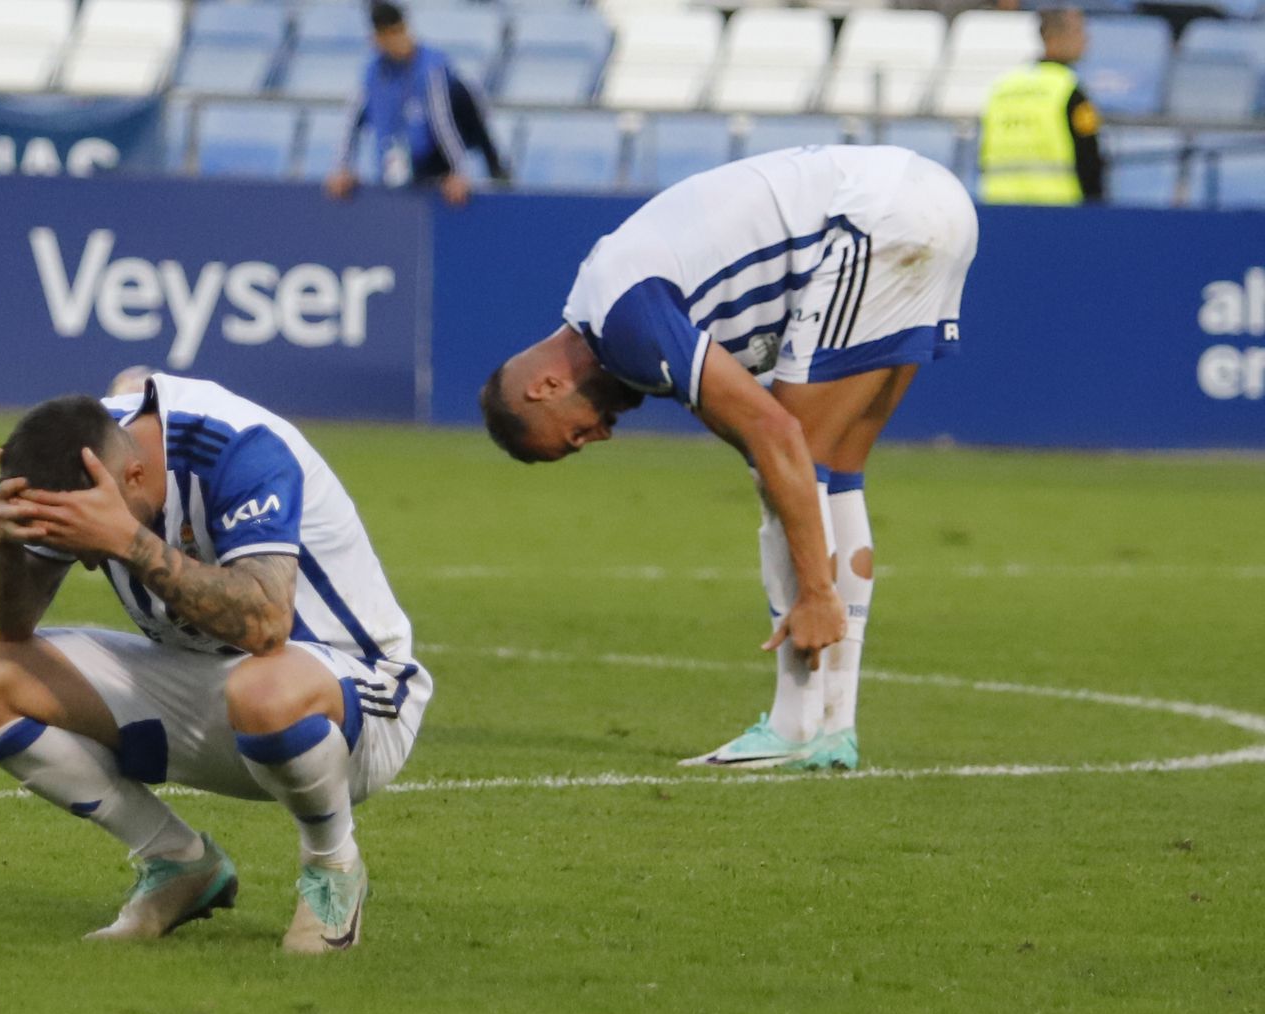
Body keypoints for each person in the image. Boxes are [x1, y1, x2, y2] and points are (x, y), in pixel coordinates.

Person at [479, 145, 978, 771]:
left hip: (873, 219)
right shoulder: (611, 306)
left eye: (574, 437)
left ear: (545, 387)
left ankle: (796, 725)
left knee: (789, 465)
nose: (598, 438)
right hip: (931, 198)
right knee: (839, 470)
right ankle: (832, 728)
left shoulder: (623, 321)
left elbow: (774, 435)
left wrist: (816, 591)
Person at [0, 373, 430, 953]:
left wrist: (127, 540)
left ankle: (332, 866)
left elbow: (266, 625)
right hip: (209, 687)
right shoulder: (76, 458)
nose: (91, 567)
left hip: (352, 702)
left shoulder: (239, 447)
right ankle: (178, 864)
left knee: (262, 687)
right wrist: (7, 538)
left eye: (89, 544)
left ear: (136, 476)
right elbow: (11, 624)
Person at [324, 1, 507, 207]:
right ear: (377, 39)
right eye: (387, 36)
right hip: (398, 160)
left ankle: (498, 170)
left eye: (398, 32)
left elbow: (442, 120)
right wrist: (341, 167)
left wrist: (458, 172)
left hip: (434, 156)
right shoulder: (373, 72)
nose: (396, 41)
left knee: (462, 90)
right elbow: (351, 121)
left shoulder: (431, 66)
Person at [980, 7, 1104, 205]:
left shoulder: (1003, 88)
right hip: (1057, 211)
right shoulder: (1069, 90)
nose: (1086, 40)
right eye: (1078, 32)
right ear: (1053, 38)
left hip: (1000, 208)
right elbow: (1089, 157)